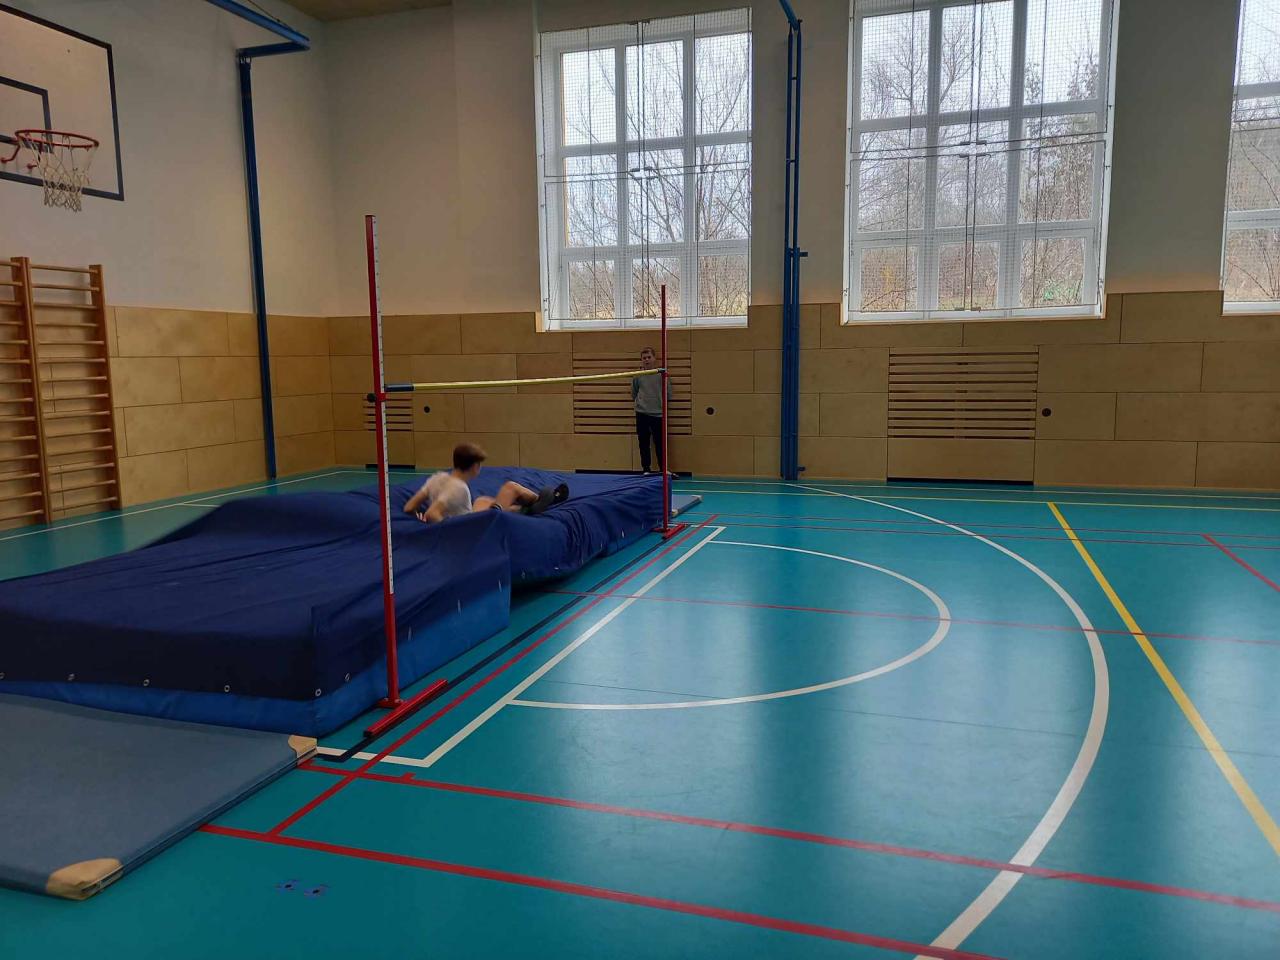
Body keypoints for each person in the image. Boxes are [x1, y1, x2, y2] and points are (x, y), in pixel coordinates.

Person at [403, 442, 539, 523]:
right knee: (511, 487)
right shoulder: (458, 488)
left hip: (466, 516)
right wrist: (446, 529)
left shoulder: (437, 478)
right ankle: (538, 501)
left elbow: (409, 507)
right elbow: (432, 513)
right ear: (475, 466)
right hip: (471, 527)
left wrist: (417, 519)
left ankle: (516, 508)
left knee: (482, 500)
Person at [631, 347, 670, 475]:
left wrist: (659, 404)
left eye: (649, 357)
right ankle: (646, 469)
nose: (647, 360)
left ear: (654, 358)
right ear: (641, 360)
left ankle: (663, 469)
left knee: (660, 443)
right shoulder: (638, 375)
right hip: (641, 413)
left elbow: (668, 393)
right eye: (644, 358)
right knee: (643, 442)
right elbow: (634, 393)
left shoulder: (661, 374)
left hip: (658, 414)